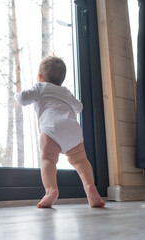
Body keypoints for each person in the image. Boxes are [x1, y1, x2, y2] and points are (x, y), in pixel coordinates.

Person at [16, 56, 105, 208]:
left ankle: (51, 190)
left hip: (51, 128)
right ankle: (90, 187)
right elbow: (79, 107)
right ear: (62, 79)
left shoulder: (40, 87)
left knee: (48, 160)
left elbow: (23, 99)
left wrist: (17, 94)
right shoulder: (66, 92)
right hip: (72, 129)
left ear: (40, 77)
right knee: (81, 161)